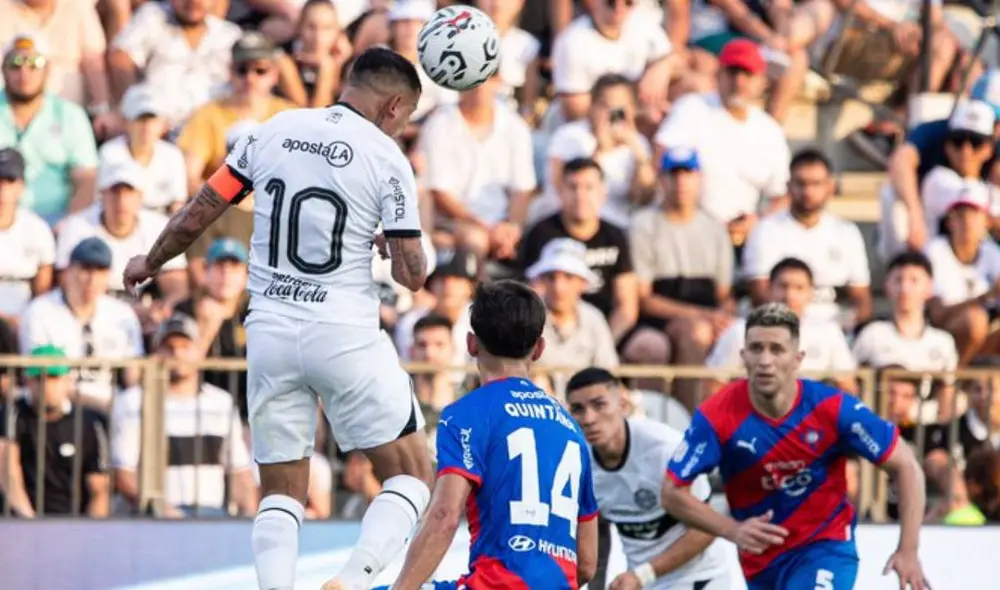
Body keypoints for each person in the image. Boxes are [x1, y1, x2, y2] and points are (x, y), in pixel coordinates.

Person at [121, 47, 431, 590]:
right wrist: (391, 243)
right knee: (411, 474)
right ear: (395, 106)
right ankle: (352, 581)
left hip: (268, 333)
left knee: (281, 490)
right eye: (404, 119)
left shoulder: (275, 129)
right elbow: (413, 276)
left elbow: (201, 210)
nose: (401, 129)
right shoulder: (387, 158)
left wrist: (151, 260)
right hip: (343, 334)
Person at [662, 302, 931, 590]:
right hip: (760, 563)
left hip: (825, 547)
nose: (765, 360)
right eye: (756, 349)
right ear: (743, 356)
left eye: (777, 350)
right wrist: (732, 530)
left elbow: (905, 464)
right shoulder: (716, 416)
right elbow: (671, 492)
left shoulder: (831, 408)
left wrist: (909, 549)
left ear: (798, 359)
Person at [380, 279, 599, 590]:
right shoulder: (570, 428)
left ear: (471, 344)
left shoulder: (467, 413)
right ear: (539, 349)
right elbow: (587, 563)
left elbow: (444, 516)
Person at [565, 367, 730, 590]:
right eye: (577, 409)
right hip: (646, 583)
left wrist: (643, 574)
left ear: (623, 405)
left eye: (599, 405)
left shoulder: (665, 449)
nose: (589, 418)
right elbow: (598, 536)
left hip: (703, 578)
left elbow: (708, 527)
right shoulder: (578, 462)